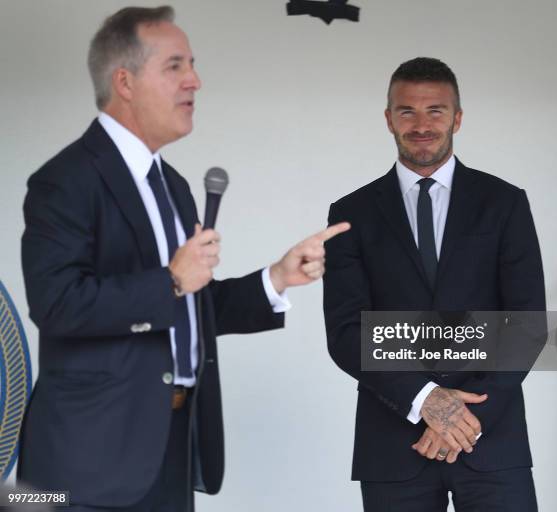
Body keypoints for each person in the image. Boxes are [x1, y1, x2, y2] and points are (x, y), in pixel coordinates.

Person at [18, 6, 349, 512]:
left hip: (173, 447)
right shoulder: (65, 181)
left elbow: (190, 305)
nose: (194, 80)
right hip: (87, 463)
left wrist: (276, 278)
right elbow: (56, 303)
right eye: (175, 65)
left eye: (191, 64)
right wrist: (171, 281)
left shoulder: (171, 185)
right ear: (124, 82)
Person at [323, 57, 545, 511]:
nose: (421, 125)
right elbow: (346, 333)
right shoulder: (351, 213)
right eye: (407, 111)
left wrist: (465, 418)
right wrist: (426, 401)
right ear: (388, 119)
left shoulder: (504, 203)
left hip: (492, 440)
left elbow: (526, 325)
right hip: (393, 444)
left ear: (457, 118)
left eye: (436, 111)